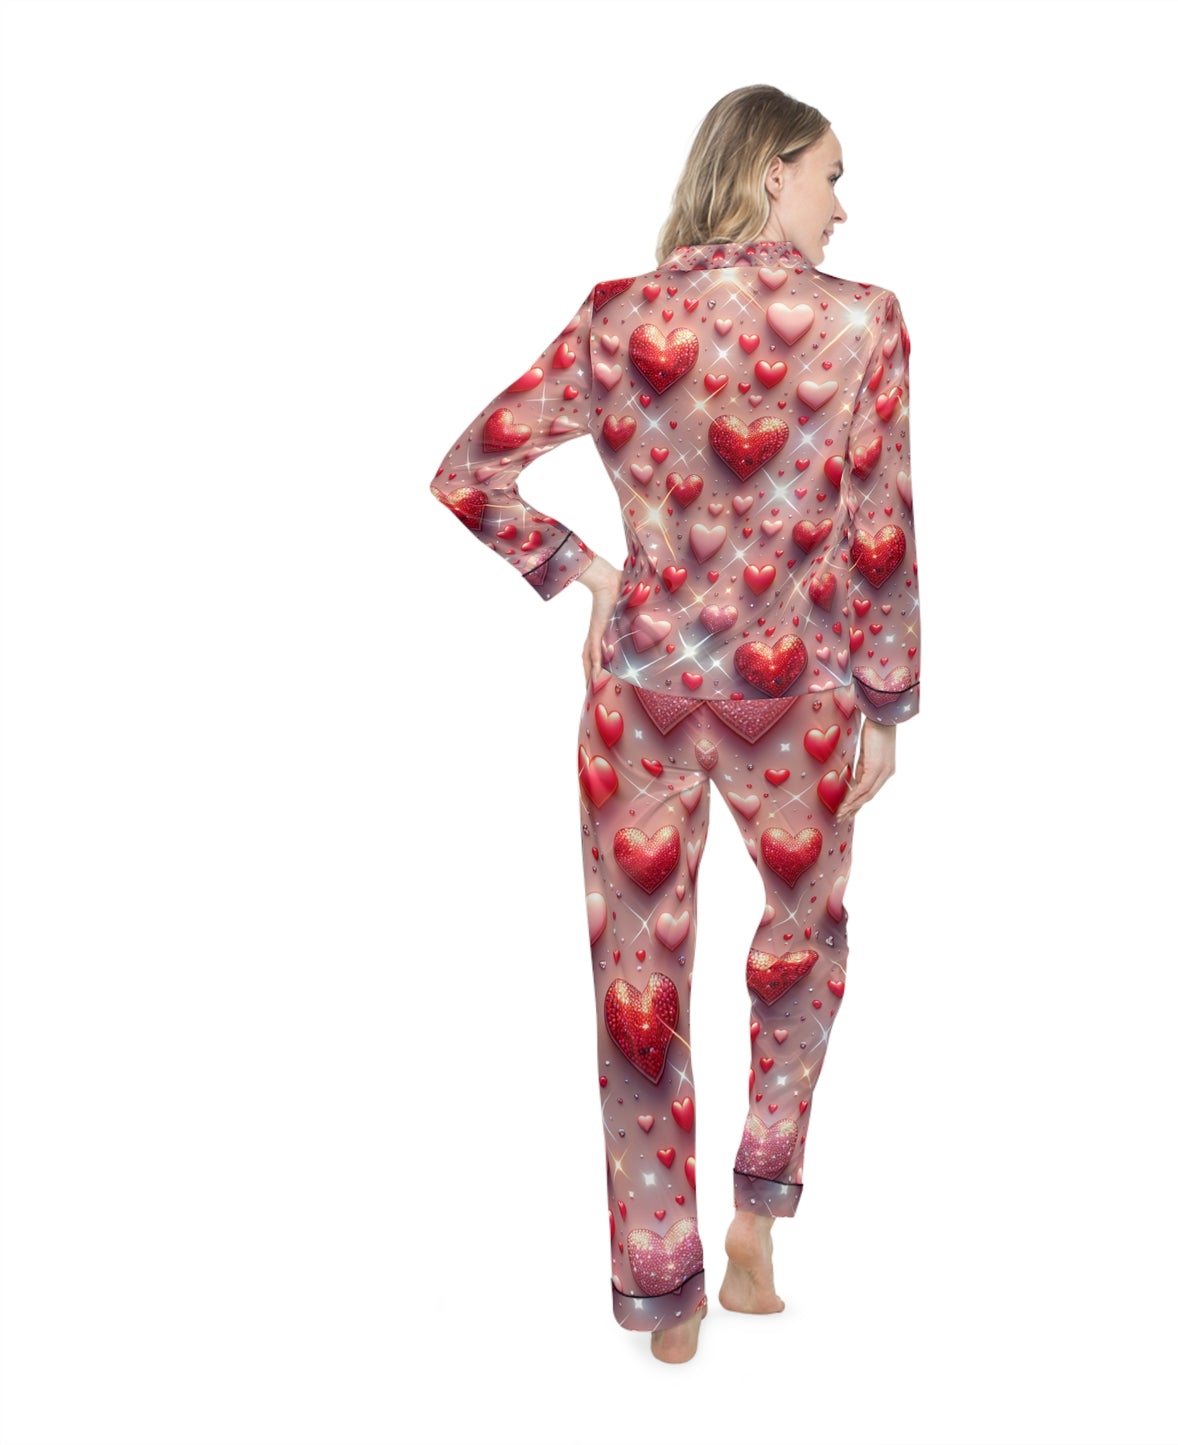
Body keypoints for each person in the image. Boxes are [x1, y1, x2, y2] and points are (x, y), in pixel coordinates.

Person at [428, 84, 920, 1364]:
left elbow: (470, 470)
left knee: (634, 986)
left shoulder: (617, 317)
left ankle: (664, 1287)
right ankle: (757, 1212)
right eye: (828, 174)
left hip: (638, 691)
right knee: (802, 951)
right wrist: (886, 699)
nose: (839, 204)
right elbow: (879, 525)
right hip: (795, 697)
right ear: (768, 172)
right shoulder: (863, 322)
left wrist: (588, 576)